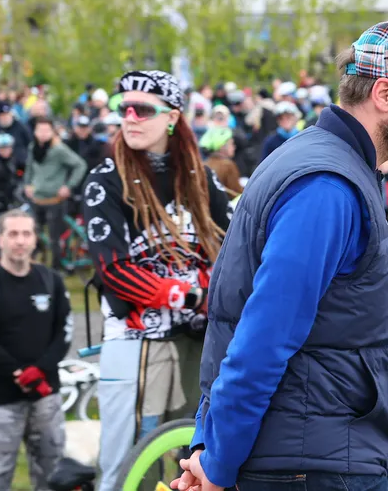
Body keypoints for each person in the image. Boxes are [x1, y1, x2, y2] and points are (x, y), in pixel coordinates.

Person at [178, 20, 388, 491]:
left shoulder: (322, 163)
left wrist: (212, 446)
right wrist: (216, 460)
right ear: (385, 94)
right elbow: (263, 335)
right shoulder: (326, 186)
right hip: (311, 465)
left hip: (311, 450)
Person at [82, 71, 230, 491]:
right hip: (134, 343)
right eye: (122, 109)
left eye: (142, 109)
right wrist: (189, 293)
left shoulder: (200, 178)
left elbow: (235, 242)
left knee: (195, 461)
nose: (129, 117)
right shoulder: (105, 180)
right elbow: (112, 270)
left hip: (196, 341)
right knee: (127, 467)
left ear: (171, 117)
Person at [0, 210, 72, 491]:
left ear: (35, 239)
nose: (20, 241)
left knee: (53, 476)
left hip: (45, 398)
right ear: (0, 240)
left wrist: (40, 370)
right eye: (12, 234)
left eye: (26, 233)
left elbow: (64, 332)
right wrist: (17, 372)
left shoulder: (52, 281)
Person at [23, 118, 87, 272]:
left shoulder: (59, 149)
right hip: (37, 199)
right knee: (33, 235)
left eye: (47, 131)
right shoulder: (34, 148)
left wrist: (68, 186)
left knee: (54, 239)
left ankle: (56, 270)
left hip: (54, 200)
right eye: (40, 130)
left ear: (52, 132)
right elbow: (29, 168)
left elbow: (80, 165)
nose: (43, 134)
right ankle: (32, 265)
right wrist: (27, 185)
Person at [200, 127, 243, 197]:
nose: (234, 147)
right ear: (222, 147)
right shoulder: (228, 165)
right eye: (231, 143)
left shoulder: (204, 164)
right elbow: (237, 194)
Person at [0, 104, 33, 169]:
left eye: (7, 115)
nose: (5, 118)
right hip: (0, 164)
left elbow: (30, 143)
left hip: (20, 163)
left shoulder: (22, 127)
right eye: (2, 116)